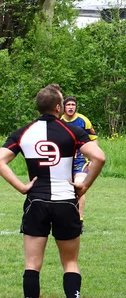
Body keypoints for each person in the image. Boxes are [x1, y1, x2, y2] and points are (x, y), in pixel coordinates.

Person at [0, 84, 106, 298]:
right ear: (58, 107)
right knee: (70, 263)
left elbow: (1, 160)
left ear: (39, 107)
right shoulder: (73, 131)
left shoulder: (23, 133)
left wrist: (21, 187)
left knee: (32, 264)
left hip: (36, 202)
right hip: (66, 201)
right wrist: (85, 186)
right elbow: (99, 157)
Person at [60, 96, 98, 232]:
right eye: (68, 105)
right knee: (62, 190)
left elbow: (93, 140)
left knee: (80, 187)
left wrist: (93, 158)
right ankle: (61, 218)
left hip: (81, 160)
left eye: (73, 105)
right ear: (63, 107)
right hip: (63, 161)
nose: (70, 107)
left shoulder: (83, 121)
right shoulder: (58, 121)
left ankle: (79, 221)